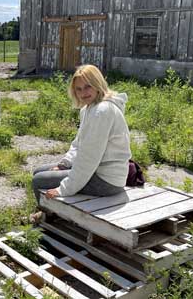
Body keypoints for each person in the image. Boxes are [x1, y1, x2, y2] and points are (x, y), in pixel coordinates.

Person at [30, 65, 131, 221]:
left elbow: (89, 158)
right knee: (38, 171)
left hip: (106, 180)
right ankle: (51, 212)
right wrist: (64, 164)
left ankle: (51, 219)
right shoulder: (89, 108)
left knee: (39, 181)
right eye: (78, 89)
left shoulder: (102, 111)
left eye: (88, 86)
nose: (83, 93)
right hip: (98, 172)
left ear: (98, 84)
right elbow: (78, 144)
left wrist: (63, 189)